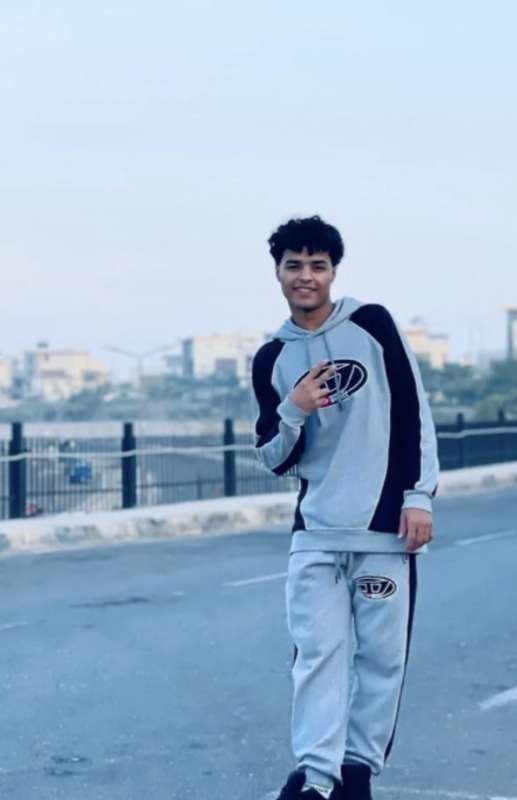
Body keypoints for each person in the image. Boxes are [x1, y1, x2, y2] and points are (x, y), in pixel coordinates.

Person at [251, 216, 439, 800]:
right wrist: (294, 408)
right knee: (316, 656)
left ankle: (357, 770)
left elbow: (413, 411)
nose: (305, 276)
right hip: (316, 533)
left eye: (318, 265)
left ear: (333, 271)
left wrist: (418, 495)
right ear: (278, 272)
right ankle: (315, 777)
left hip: (384, 531)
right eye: (294, 265)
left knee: (381, 659)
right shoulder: (272, 358)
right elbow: (274, 459)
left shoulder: (372, 324)